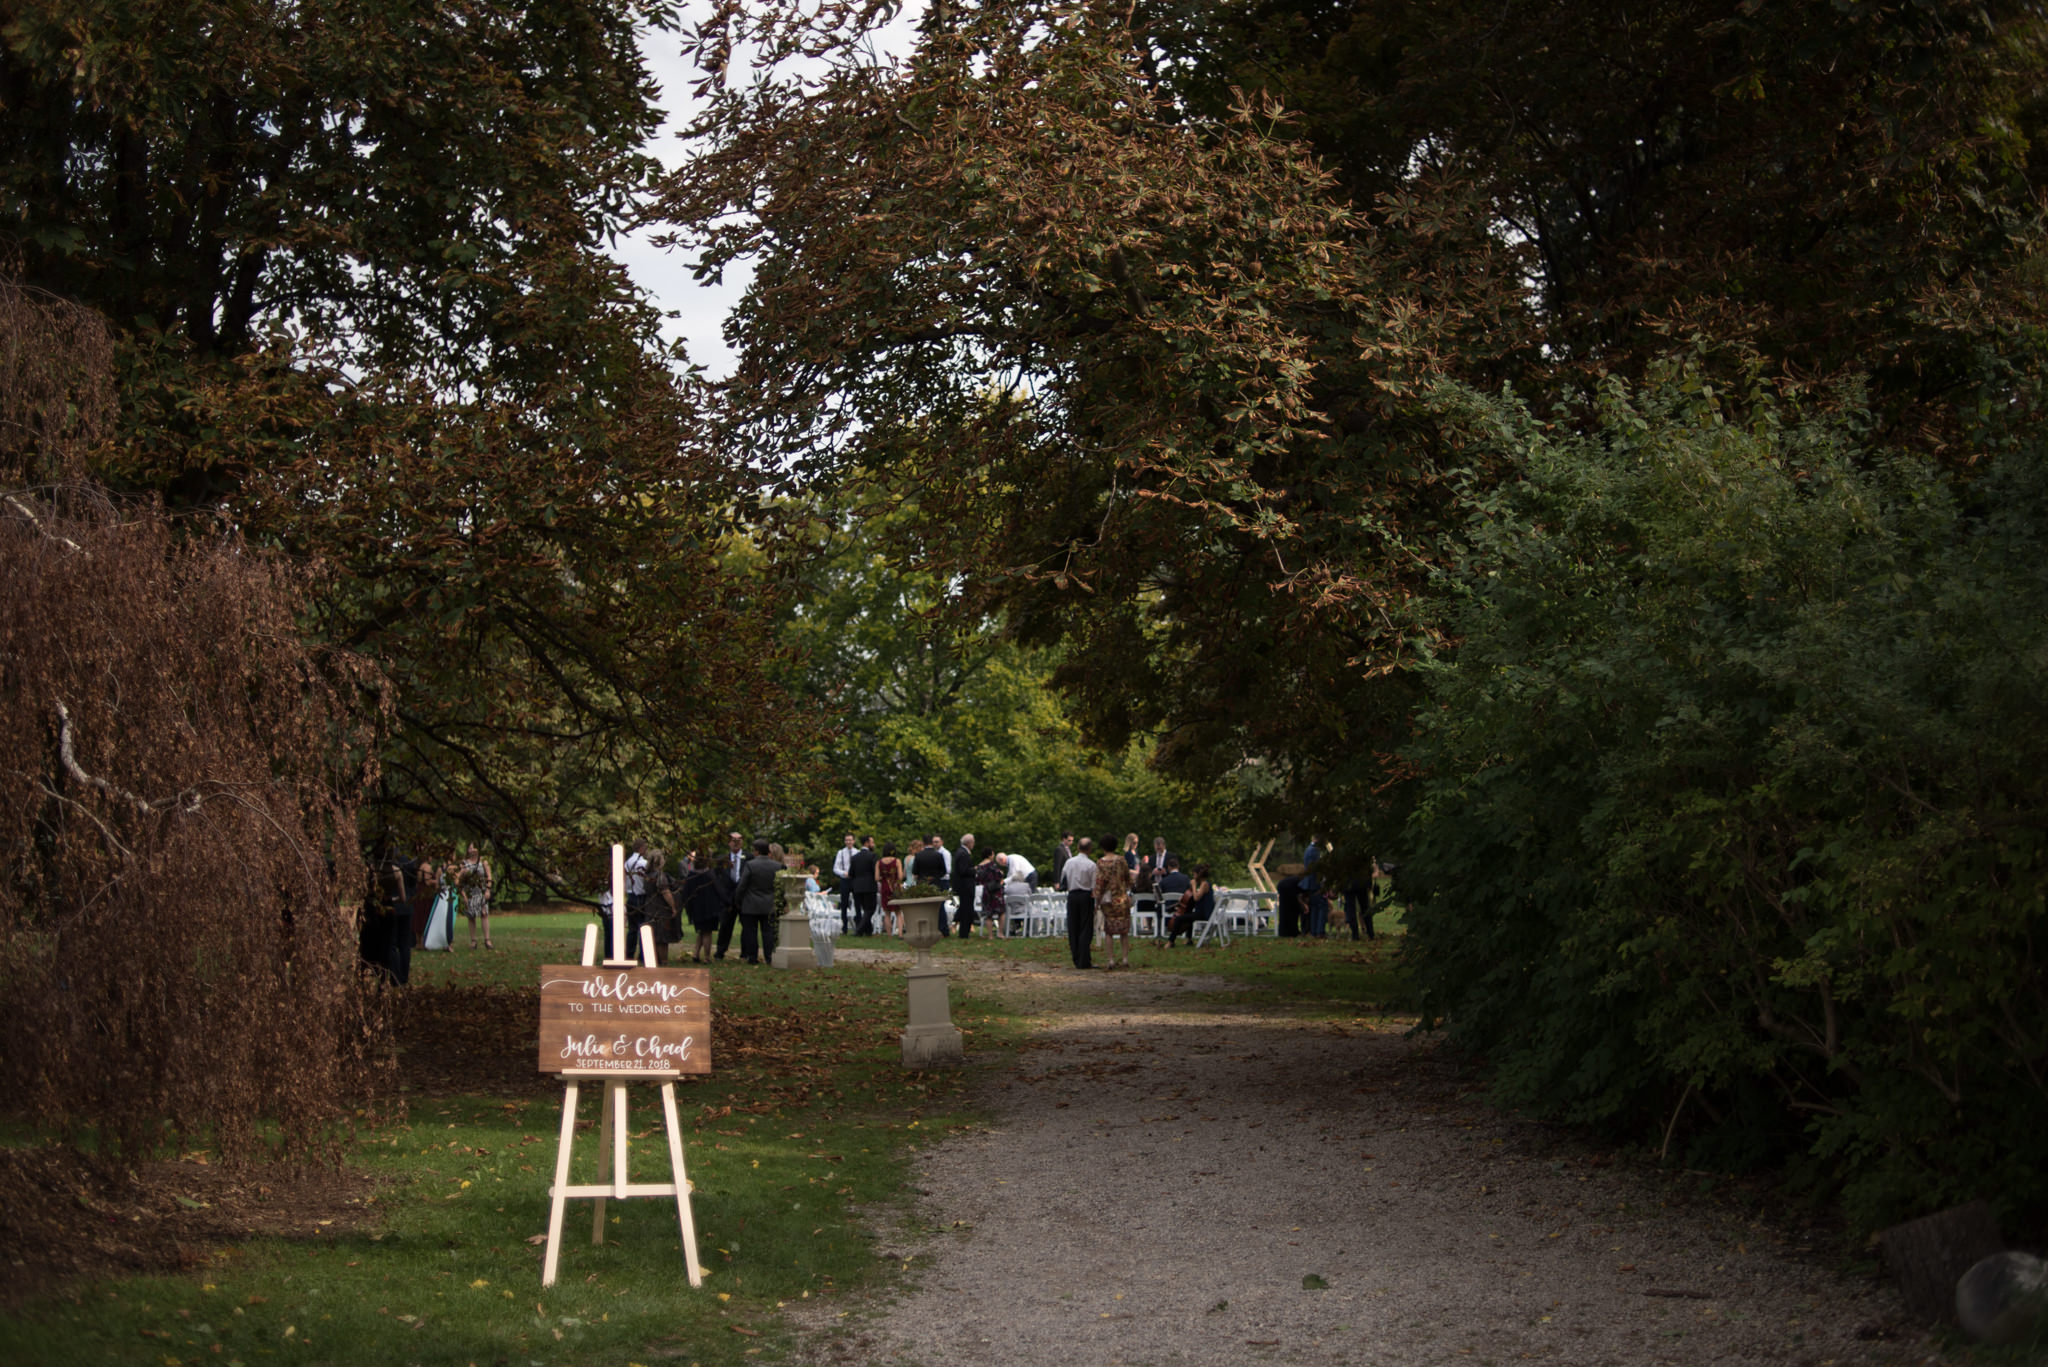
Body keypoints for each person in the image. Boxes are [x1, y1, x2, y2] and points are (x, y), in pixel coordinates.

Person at [731, 838, 782, 964]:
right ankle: (769, 956)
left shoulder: (750, 865)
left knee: (751, 932)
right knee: (768, 932)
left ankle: (752, 957)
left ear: (757, 851)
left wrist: (738, 900)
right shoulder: (776, 866)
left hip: (751, 903)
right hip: (769, 903)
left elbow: (742, 885)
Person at [1060, 837, 1097, 964]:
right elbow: (1094, 885)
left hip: (1072, 895)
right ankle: (1084, 958)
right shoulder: (1091, 865)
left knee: (1073, 927)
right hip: (1086, 895)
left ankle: (1076, 956)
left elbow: (1063, 878)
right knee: (1085, 928)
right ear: (1090, 849)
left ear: (1078, 848)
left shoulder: (1069, 862)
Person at [681, 852, 724, 963]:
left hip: (696, 908)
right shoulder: (710, 875)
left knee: (701, 931)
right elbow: (719, 890)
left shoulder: (691, 875)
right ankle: (707, 957)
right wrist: (727, 902)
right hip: (710, 908)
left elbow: (686, 893)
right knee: (707, 933)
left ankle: (695, 953)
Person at [1166, 860, 1214, 947]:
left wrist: (1194, 886)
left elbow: (1196, 898)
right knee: (1188, 916)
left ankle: (1171, 941)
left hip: (1204, 913)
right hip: (1202, 912)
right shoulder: (1204, 883)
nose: (1193, 876)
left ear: (1199, 874)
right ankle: (1189, 939)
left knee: (1179, 919)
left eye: (1194, 874)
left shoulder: (1204, 884)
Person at [713, 830, 744, 959]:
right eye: (733, 841)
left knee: (747, 927)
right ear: (728, 842)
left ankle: (746, 952)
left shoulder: (748, 858)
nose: (736, 844)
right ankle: (720, 951)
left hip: (743, 897)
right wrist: (725, 898)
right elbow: (717, 880)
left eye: (738, 841)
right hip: (727, 898)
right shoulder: (721, 860)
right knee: (725, 926)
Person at [457, 842, 494, 949]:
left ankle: (487, 940)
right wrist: (463, 895)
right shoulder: (464, 864)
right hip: (470, 893)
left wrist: (488, 890)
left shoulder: (483, 862)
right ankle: (473, 941)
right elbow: (459, 881)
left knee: (484, 914)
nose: (472, 850)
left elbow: (489, 877)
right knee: (471, 916)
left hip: (481, 891)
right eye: (470, 848)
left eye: (474, 847)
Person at [645, 849, 678, 965]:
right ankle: (663, 961)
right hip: (660, 908)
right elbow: (666, 893)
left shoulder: (646, 874)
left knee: (653, 935)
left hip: (649, 906)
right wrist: (673, 907)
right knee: (662, 937)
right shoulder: (660, 876)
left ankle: (654, 959)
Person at [846, 835, 879, 937]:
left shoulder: (855, 858)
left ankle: (868, 931)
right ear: (866, 843)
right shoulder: (873, 856)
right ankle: (859, 930)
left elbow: (851, 873)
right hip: (869, 886)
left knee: (865, 909)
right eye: (872, 842)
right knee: (870, 909)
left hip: (858, 886)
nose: (873, 844)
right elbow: (875, 871)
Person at [974, 847, 1005, 939]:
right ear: (990, 855)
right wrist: (1001, 874)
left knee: (988, 914)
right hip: (995, 891)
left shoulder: (979, 866)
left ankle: (990, 935)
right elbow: (997, 876)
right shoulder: (992, 865)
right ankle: (1000, 933)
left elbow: (978, 879)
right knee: (1001, 911)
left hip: (986, 890)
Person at [951, 833, 979, 935]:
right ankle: (964, 932)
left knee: (965, 908)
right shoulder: (963, 853)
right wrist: (974, 870)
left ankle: (964, 930)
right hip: (965, 886)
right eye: (973, 842)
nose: (974, 844)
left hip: (963, 885)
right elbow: (963, 870)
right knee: (966, 908)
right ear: (969, 842)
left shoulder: (961, 852)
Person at [877, 841, 905, 937]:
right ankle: (900, 933)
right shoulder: (897, 861)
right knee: (898, 912)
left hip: (885, 887)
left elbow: (876, 878)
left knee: (887, 913)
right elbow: (900, 877)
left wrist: (883, 878)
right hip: (895, 887)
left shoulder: (879, 862)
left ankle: (889, 935)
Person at [832, 833, 857, 932]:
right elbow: (835, 868)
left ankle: (857, 924)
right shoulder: (841, 852)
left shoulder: (857, 852)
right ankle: (844, 926)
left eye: (850, 840)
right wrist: (843, 873)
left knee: (857, 902)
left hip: (854, 879)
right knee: (844, 903)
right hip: (845, 879)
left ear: (853, 841)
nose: (848, 842)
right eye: (846, 840)